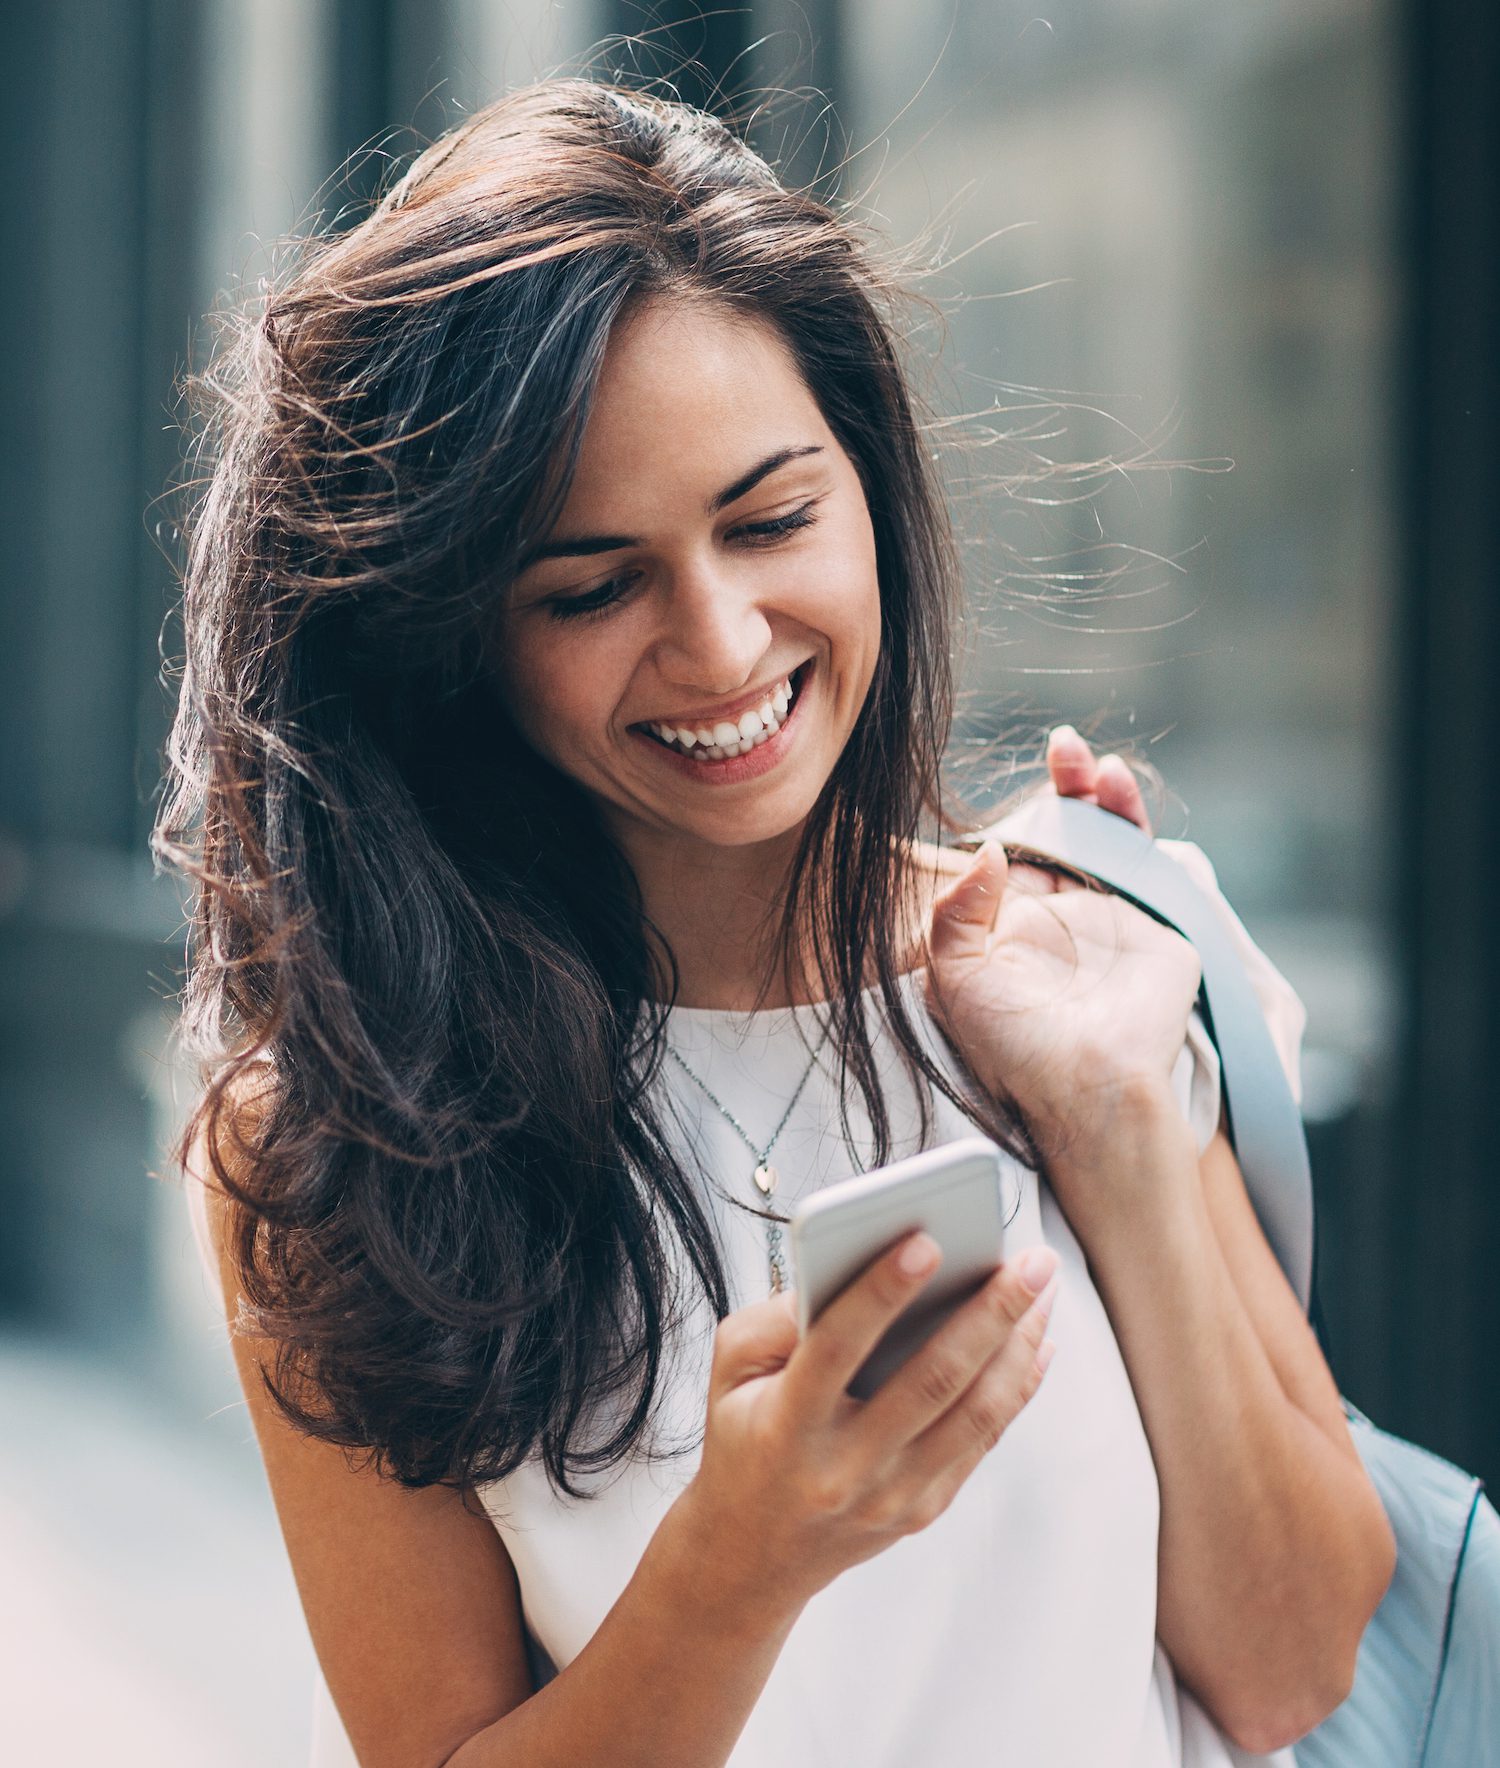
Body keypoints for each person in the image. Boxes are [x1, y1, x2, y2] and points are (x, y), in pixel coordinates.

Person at [158, 78, 1395, 1768]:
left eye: (772, 519)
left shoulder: (1071, 968)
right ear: (452, 638)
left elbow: (1296, 1661)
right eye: (592, 586)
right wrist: (742, 1566)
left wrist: (1113, 1115)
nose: (725, 644)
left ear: (868, 484)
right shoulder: (337, 1145)